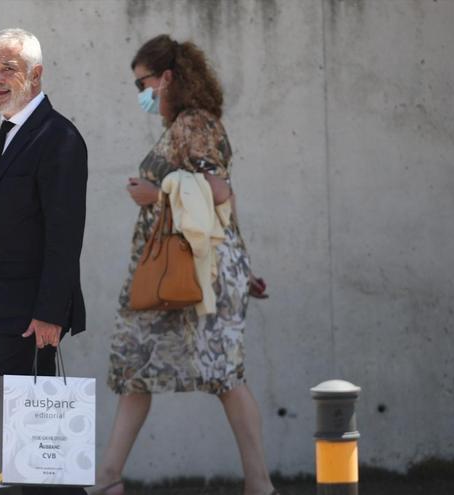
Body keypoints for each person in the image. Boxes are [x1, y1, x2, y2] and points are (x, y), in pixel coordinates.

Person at [88, 35, 275, 495]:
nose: (141, 93)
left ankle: (259, 484)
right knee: (139, 366)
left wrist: (157, 194)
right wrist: (244, 265)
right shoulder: (187, 124)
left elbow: (219, 191)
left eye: (143, 83)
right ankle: (109, 478)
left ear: (168, 77)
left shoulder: (194, 123)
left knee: (221, 374)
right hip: (180, 270)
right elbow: (218, 199)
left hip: (191, 272)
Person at [0, 28, 88, 495]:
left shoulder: (58, 138)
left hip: (31, 314)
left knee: (10, 419)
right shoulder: (9, 133)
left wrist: (50, 312)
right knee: (20, 429)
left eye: (8, 69)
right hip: (2, 306)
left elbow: (64, 234)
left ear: (35, 75)